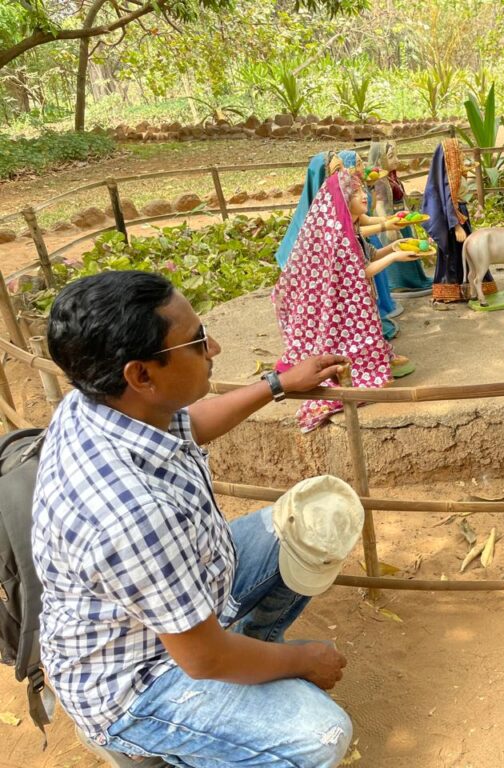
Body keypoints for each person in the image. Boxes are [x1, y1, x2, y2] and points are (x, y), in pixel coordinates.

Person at [33, 270, 354, 766]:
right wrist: (305, 661)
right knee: (321, 735)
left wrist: (277, 384)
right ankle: (164, 738)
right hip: (137, 679)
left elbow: (192, 424)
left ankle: (251, 667)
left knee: (310, 521)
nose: (215, 348)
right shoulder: (130, 514)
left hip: (177, 607)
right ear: (141, 375)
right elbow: (205, 658)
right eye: (198, 341)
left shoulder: (99, 401)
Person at [274, 168, 421, 432]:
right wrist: (395, 257)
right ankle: (359, 368)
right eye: (355, 193)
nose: (363, 196)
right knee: (354, 343)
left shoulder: (350, 231)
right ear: (342, 200)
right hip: (347, 310)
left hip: (361, 300)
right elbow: (359, 272)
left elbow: (371, 255)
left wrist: (397, 247)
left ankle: (376, 358)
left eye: (362, 191)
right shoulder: (339, 237)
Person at [422, 138, 496, 303]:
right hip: (454, 220)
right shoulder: (449, 178)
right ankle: (456, 289)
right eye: (459, 152)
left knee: (469, 252)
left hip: (461, 214)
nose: (462, 155)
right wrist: (456, 227)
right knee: (458, 254)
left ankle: (468, 287)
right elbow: (449, 202)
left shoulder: (455, 173)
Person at [336, 150, 404, 329]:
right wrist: (387, 229)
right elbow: (362, 271)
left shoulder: (355, 197)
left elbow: (367, 216)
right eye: (357, 163)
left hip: (365, 263)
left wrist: (394, 244)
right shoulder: (341, 233)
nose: (362, 167)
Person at [367, 140, 434, 296]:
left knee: (408, 247)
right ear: (380, 159)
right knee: (396, 250)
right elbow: (380, 206)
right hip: (391, 222)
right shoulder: (380, 182)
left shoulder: (392, 178)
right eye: (391, 156)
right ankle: (399, 283)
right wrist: (389, 228)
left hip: (402, 220)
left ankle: (413, 280)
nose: (396, 160)